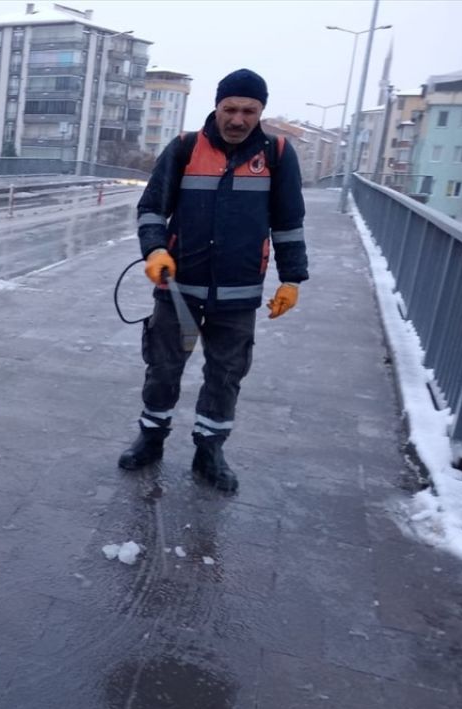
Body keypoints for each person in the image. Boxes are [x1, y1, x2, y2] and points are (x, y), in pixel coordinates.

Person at [117, 69, 308, 492]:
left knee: (225, 375)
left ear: (261, 112)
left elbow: (289, 223)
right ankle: (151, 438)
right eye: (230, 109)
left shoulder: (277, 154)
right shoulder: (186, 148)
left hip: (238, 297)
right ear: (217, 107)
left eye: (249, 111)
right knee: (163, 369)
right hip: (178, 293)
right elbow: (151, 208)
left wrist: (291, 279)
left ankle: (209, 451)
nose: (238, 119)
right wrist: (155, 250)